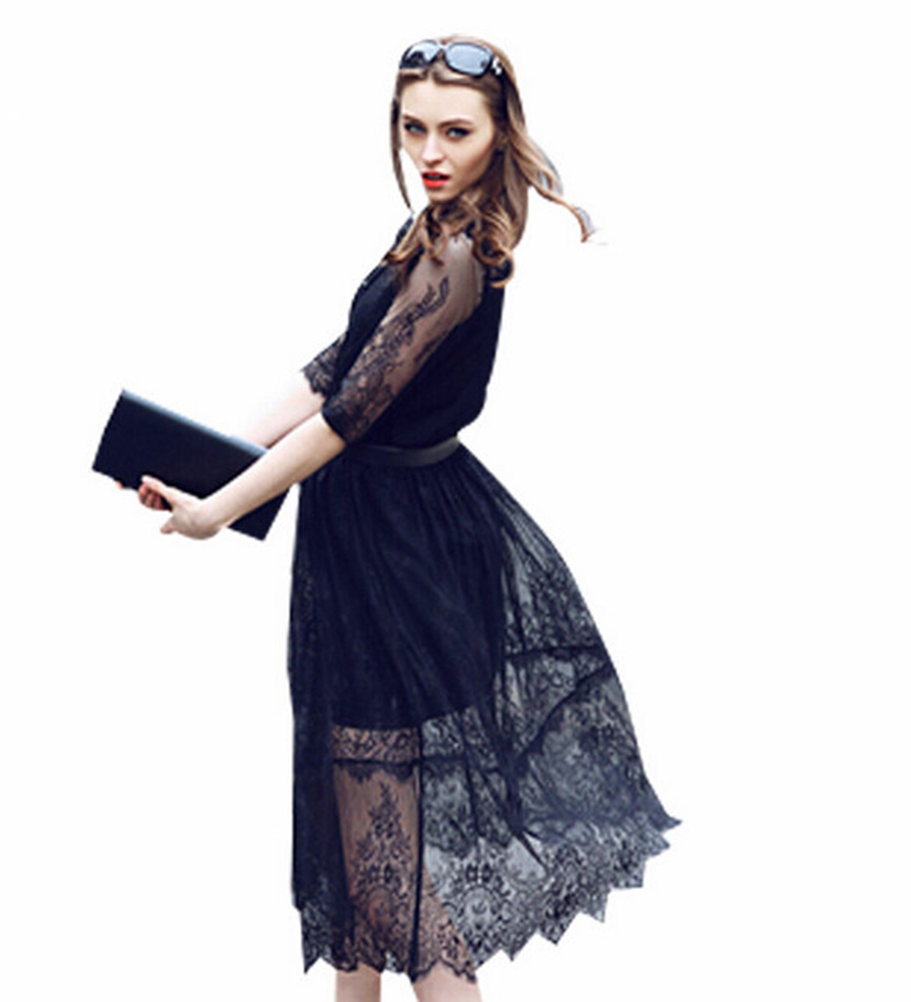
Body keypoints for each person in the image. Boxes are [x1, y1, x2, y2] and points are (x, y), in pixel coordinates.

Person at [131, 36, 679, 1002]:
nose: (429, 151)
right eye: (413, 127)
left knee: (387, 870)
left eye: (455, 132)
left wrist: (218, 509)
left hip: (403, 559)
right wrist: (209, 455)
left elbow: (347, 418)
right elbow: (336, 367)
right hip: (378, 541)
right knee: (363, 861)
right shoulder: (432, 229)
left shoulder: (459, 256)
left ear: (499, 133)